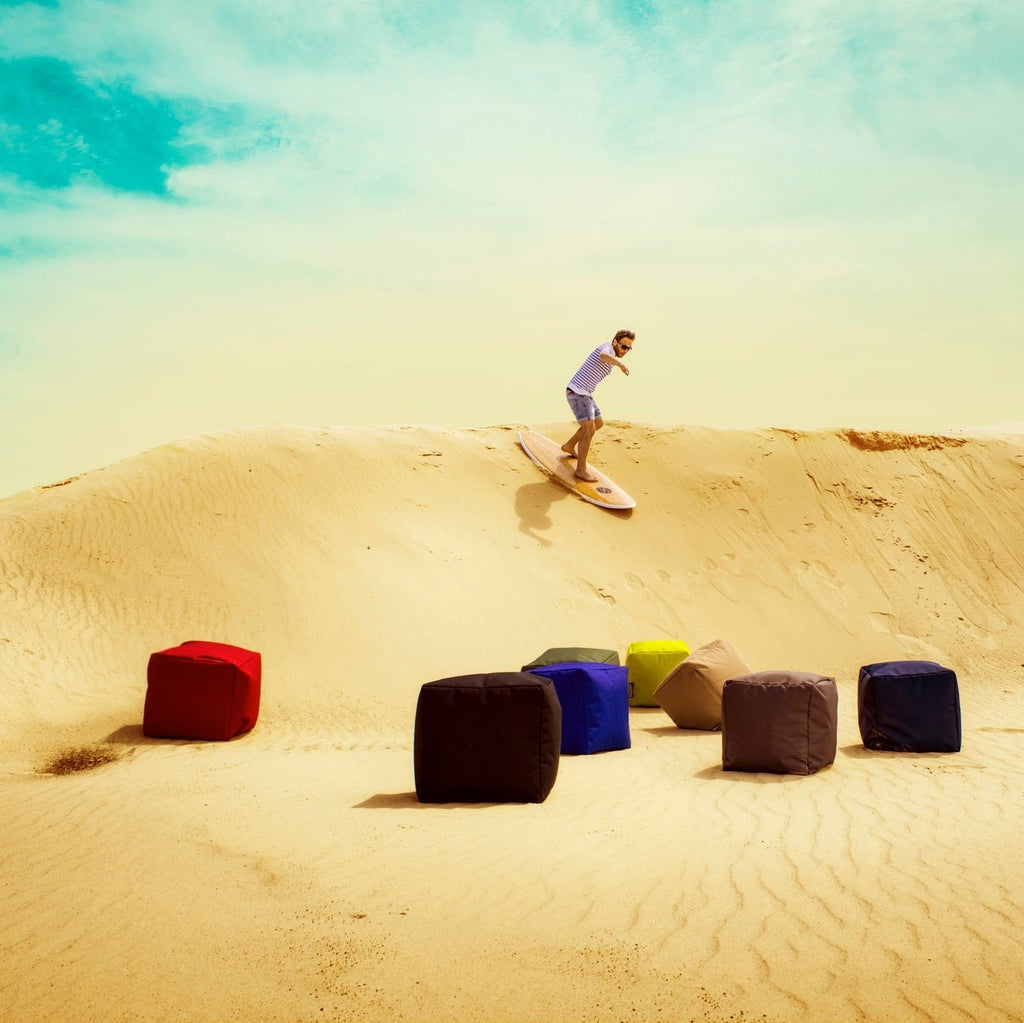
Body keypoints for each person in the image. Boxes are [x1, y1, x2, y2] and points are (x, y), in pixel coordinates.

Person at [561, 329, 634, 482]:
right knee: (589, 429)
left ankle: (569, 445)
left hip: (585, 393)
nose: (625, 351)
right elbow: (603, 356)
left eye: (629, 348)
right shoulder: (607, 348)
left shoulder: (612, 353)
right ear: (615, 342)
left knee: (598, 423)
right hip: (578, 393)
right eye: (623, 346)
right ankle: (581, 470)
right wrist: (620, 364)